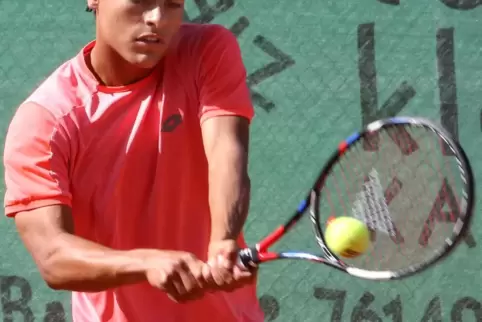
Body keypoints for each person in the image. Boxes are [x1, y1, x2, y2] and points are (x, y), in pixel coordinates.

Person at [2, 0, 264, 321]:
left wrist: (223, 240)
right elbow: (53, 256)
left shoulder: (208, 50)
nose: (157, 18)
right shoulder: (45, 122)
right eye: (140, 1)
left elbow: (227, 152)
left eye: (172, 4)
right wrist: (146, 263)